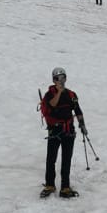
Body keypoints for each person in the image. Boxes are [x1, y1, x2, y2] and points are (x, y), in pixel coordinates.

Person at [39, 67, 86, 197]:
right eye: (58, 78)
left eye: (63, 78)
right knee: (51, 159)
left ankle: (65, 187)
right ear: (53, 80)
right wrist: (59, 92)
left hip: (68, 131)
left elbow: (77, 110)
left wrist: (82, 125)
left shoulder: (71, 95)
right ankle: (50, 185)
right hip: (54, 130)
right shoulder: (50, 94)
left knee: (66, 159)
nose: (61, 81)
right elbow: (52, 105)